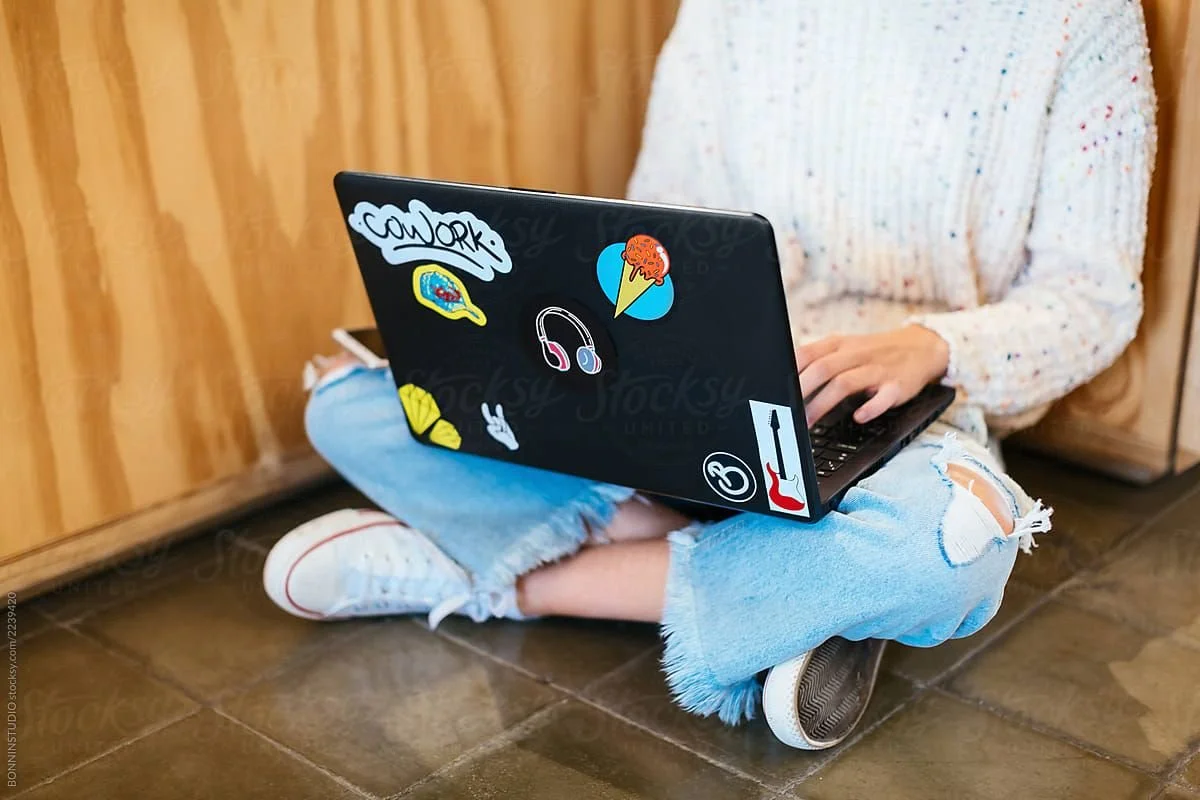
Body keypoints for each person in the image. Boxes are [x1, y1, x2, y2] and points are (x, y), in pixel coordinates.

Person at [263, 0, 1155, 749]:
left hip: (907, 415)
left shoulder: (1082, 19)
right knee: (349, 406)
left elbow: (1094, 299)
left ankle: (482, 582)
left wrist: (932, 345)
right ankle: (794, 593)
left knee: (955, 551)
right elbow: (657, 234)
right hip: (692, 386)